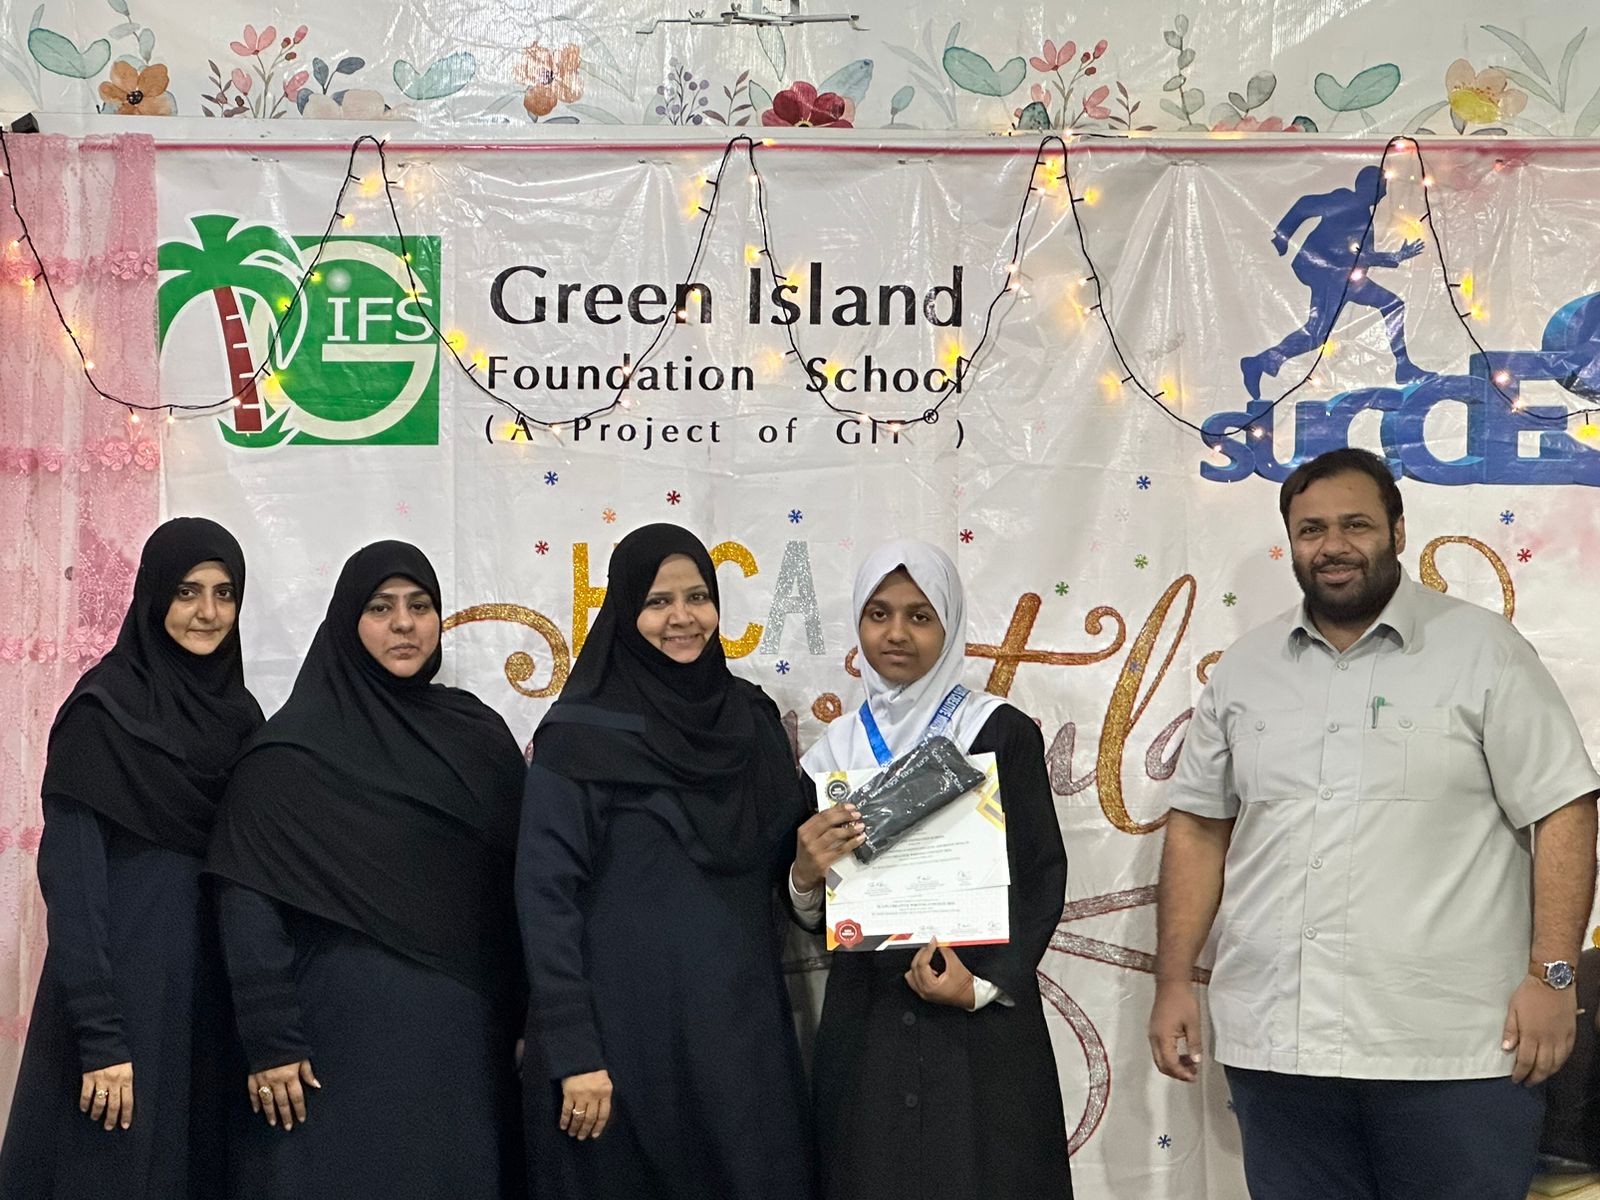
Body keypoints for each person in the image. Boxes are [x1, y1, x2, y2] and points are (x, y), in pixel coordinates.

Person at [1150, 447, 1600, 1199]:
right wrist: (1172, 981)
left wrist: (1552, 975)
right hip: (1279, 1050)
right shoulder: (1246, 668)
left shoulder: (1483, 651)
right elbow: (1199, 829)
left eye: (1355, 524)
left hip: (1452, 1052)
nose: (1333, 545)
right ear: (1291, 543)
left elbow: (1564, 808)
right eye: (1311, 530)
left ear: (1397, 530)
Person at [206, 541, 525, 1199]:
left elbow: (519, 890)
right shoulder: (288, 752)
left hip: (461, 1040)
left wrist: (535, 1019)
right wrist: (271, 1040)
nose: (404, 623)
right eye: (380, 608)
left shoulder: (480, 737)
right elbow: (246, 901)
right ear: (348, 621)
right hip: (331, 1038)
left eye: (420, 606)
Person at [518, 523, 812, 1200]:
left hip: (738, 1034)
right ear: (626, 610)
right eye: (657, 601)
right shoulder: (581, 734)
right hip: (622, 1043)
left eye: (697, 597)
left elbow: (783, 859)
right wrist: (575, 1052)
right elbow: (544, 896)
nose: (682, 617)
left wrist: (814, 865)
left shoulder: (751, 721)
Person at [794, 539, 1071, 1200]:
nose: (896, 633)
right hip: (869, 1027)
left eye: (920, 616)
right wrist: (804, 876)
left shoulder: (996, 731)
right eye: (879, 614)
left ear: (949, 626)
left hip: (979, 1025)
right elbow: (819, 908)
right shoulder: (832, 753)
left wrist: (981, 984)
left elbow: (1040, 875)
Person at [0, 518, 263, 1199]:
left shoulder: (242, 719)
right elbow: (73, 882)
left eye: (224, 593)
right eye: (187, 591)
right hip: (123, 994)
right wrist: (101, 1034)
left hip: (210, 997)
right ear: (152, 595)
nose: (208, 612)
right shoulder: (104, 711)